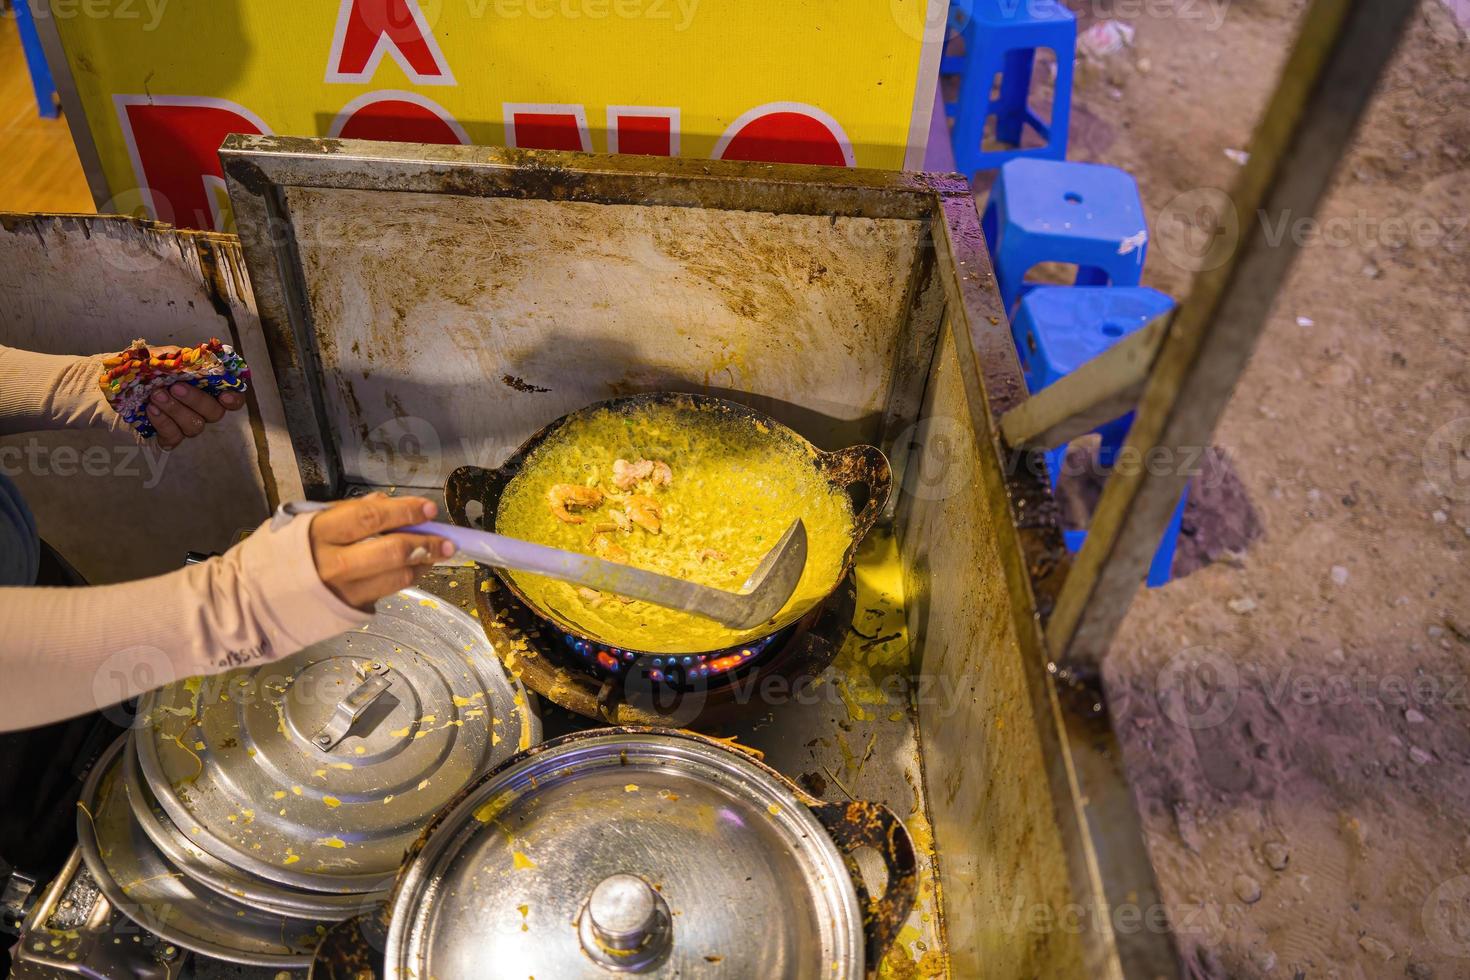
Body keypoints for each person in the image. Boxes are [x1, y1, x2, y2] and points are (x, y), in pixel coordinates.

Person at [0, 343, 449, 899]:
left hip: (24, 577)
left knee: (113, 734)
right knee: (51, 832)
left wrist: (66, 385)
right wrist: (220, 611)